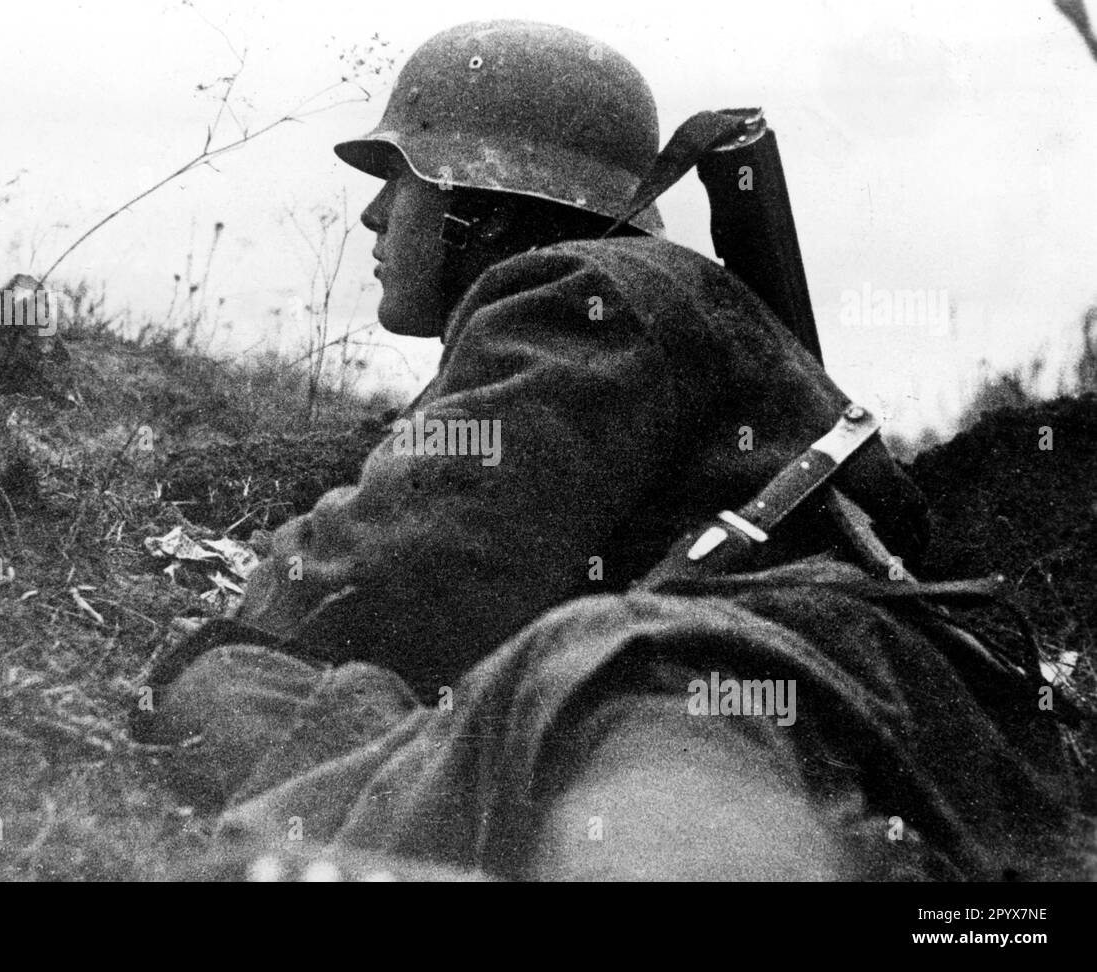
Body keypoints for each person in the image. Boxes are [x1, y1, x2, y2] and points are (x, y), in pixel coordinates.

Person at [134, 20, 1085, 881]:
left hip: (776, 673)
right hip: (841, 693)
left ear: (481, 207)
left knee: (618, 673)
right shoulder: (622, 299)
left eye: (402, 176)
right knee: (245, 683)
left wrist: (265, 592)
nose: (374, 216)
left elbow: (424, 538)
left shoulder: (586, 293)